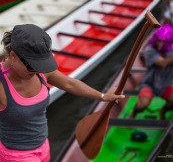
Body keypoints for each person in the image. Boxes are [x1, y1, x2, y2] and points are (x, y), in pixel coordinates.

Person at [0, 24, 125, 162]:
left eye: (40, 65)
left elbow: (69, 83)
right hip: (15, 155)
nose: (36, 70)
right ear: (13, 56)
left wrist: (102, 96)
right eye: (32, 66)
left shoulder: (40, 71)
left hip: (42, 145)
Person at [130, 24, 173, 119]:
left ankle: (164, 110)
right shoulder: (150, 50)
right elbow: (164, 64)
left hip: (165, 84)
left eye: (163, 42)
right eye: (158, 41)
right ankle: (133, 113)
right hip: (149, 84)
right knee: (143, 104)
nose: (159, 44)